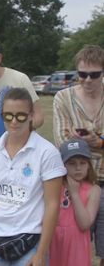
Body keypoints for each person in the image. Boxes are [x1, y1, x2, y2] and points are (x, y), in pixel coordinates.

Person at [0, 88, 66, 266]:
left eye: (20, 116)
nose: (14, 122)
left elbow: (52, 204)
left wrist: (42, 252)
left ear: (31, 116)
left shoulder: (47, 152)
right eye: (8, 116)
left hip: (29, 239)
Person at [53, 45, 103, 182]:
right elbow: (62, 143)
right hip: (78, 182)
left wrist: (97, 142)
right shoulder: (63, 98)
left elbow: (69, 144)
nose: (87, 79)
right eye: (82, 74)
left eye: (94, 75)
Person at [49, 139, 101, 266]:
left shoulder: (94, 190)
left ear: (89, 165)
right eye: (72, 163)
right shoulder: (53, 186)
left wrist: (75, 193)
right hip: (54, 242)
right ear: (62, 164)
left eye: (82, 163)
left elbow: (84, 224)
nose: (78, 168)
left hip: (77, 246)